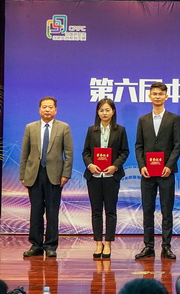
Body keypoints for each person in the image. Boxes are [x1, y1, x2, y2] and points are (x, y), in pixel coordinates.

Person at [20, 97, 73, 258]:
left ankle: (51, 245)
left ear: (56, 110)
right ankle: (36, 245)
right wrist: (23, 175)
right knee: (36, 211)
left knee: (52, 211)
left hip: (55, 175)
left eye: (50, 107)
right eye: (44, 107)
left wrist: (65, 174)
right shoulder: (30, 127)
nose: (47, 110)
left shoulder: (63, 127)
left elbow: (69, 153)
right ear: (39, 109)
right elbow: (24, 153)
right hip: (34, 174)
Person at [134, 81, 180, 260]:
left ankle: (166, 247)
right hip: (147, 173)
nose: (157, 96)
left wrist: (169, 166)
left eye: (160, 94)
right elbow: (139, 146)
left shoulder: (174, 119)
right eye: (154, 94)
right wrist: (142, 166)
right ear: (149, 96)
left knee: (166, 210)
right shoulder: (143, 120)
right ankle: (148, 246)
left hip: (166, 173)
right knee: (147, 210)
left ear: (166, 96)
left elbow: (177, 145)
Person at [82, 98, 129, 259]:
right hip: (94, 176)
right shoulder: (92, 130)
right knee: (96, 211)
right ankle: (98, 243)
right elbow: (86, 152)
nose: (104, 113)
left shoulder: (120, 130)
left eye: (107, 110)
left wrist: (115, 166)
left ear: (113, 112)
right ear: (98, 112)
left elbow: (124, 152)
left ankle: (108, 243)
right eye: (101, 110)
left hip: (111, 176)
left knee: (110, 210)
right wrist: (90, 165)